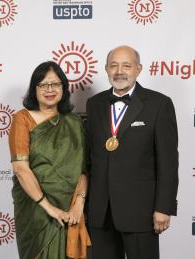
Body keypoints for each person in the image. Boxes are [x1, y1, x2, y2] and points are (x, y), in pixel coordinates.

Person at [86, 45, 179, 259]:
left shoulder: (159, 104)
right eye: (114, 65)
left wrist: (163, 207)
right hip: (101, 213)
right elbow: (90, 159)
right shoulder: (94, 104)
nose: (120, 71)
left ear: (138, 69)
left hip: (141, 211)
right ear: (106, 69)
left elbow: (168, 162)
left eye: (126, 65)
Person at [8, 61, 90, 259]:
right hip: (35, 209)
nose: (50, 90)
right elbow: (21, 169)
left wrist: (78, 205)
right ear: (34, 89)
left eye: (55, 84)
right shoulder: (22, 119)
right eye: (43, 85)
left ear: (63, 88)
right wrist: (50, 209)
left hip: (71, 208)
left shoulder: (75, 123)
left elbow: (83, 170)